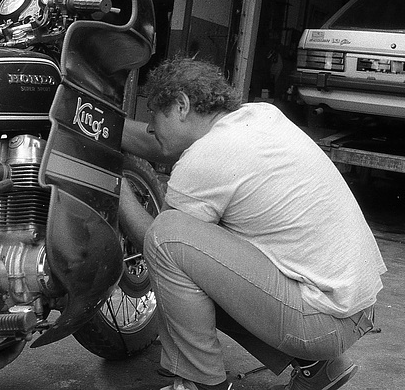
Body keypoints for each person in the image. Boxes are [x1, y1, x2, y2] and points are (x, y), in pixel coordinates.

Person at [119, 57, 386, 390]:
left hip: (322, 320)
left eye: (154, 115)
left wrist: (116, 188)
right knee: (204, 254)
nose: (149, 127)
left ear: (182, 106)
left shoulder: (207, 157)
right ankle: (319, 367)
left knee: (168, 237)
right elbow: (160, 146)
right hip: (352, 310)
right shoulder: (259, 117)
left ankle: (198, 382)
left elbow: (155, 243)